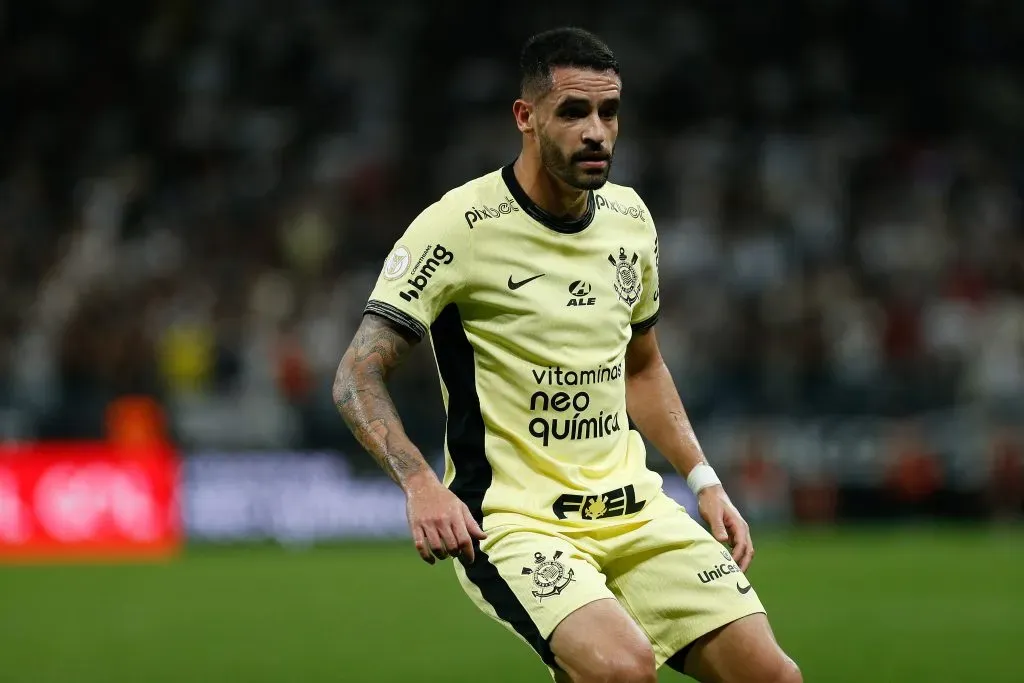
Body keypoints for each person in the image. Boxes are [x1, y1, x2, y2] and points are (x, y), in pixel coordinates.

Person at [333, 26, 802, 683]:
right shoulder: (457, 226)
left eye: (609, 113)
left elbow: (643, 367)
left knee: (774, 676)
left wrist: (704, 479)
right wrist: (419, 482)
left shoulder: (630, 221)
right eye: (575, 112)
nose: (597, 132)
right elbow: (357, 372)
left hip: (634, 508)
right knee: (621, 667)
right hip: (516, 522)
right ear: (525, 117)